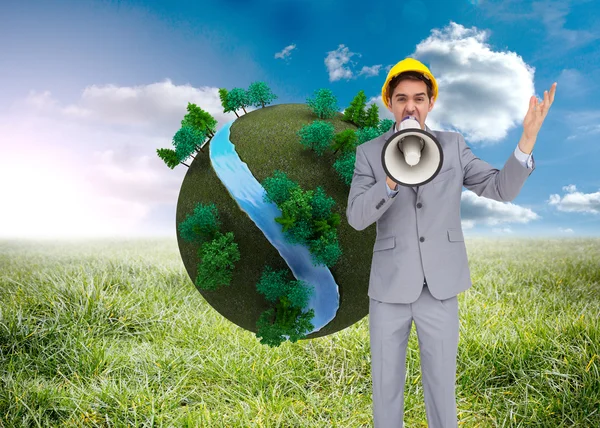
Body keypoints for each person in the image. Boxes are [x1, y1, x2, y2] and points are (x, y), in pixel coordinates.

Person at [345, 57, 556, 427]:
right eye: (402, 98)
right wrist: (391, 180)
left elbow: (500, 189)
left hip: (440, 288)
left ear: (430, 103)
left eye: (419, 98)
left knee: (441, 387)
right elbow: (357, 217)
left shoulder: (453, 146)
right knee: (386, 387)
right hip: (389, 288)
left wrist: (528, 139)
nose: (411, 106)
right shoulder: (368, 153)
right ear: (389, 103)